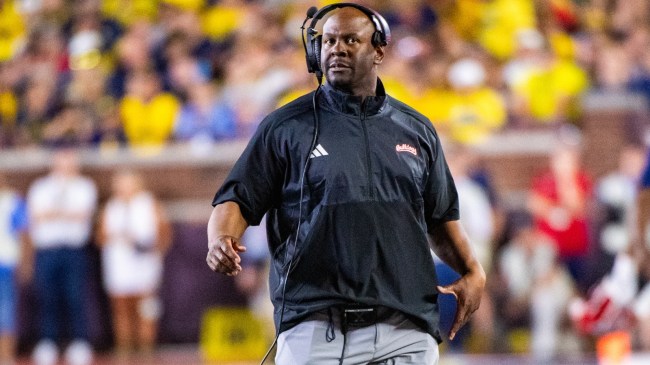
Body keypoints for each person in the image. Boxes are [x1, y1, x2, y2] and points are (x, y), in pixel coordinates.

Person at [206, 4, 485, 364]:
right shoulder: (285, 127)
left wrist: (472, 269)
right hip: (315, 327)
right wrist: (219, 240)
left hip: (405, 329)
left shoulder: (416, 129)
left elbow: (440, 218)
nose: (336, 49)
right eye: (328, 41)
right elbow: (236, 199)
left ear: (379, 50)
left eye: (351, 40)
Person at [27, 149, 97, 365]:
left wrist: (55, 213)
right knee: (47, 297)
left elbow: (82, 214)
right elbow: (38, 215)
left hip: (73, 250)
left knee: (75, 296)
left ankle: (79, 342)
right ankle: (48, 342)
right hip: (47, 250)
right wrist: (64, 212)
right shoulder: (40, 187)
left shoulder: (85, 186)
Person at [96, 170, 172, 358]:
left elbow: (164, 234)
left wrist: (151, 249)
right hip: (119, 267)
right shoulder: (111, 208)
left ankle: (147, 351)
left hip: (145, 268)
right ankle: (124, 350)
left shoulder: (148, 204)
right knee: (121, 310)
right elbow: (100, 237)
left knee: (146, 310)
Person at [0, 174, 29, 365]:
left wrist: (26, 261)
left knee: (6, 309)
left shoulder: (12, 201)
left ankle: (6, 355)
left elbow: (24, 232)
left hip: (6, 261)